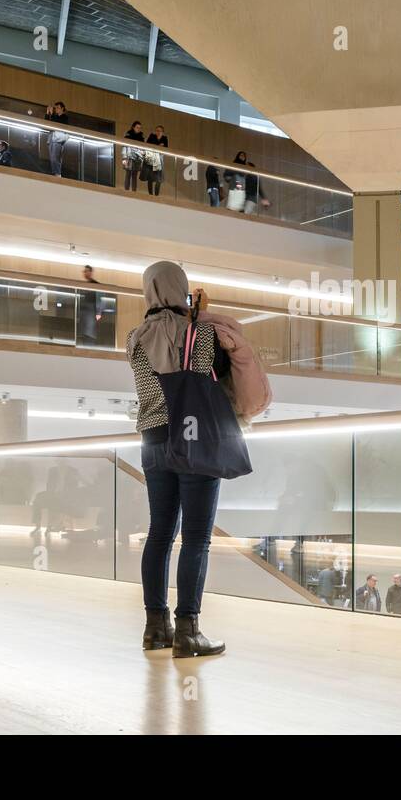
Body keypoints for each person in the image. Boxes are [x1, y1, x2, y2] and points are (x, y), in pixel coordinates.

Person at [129, 261, 267, 658]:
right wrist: (199, 311)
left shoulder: (133, 338)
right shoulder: (200, 332)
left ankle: (156, 628)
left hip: (153, 440)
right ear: (182, 289)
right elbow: (219, 373)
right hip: (195, 439)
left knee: (159, 534)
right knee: (196, 538)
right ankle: (189, 630)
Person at [77, 265, 112, 347]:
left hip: (90, 311)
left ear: (90, 272)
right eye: (84, 271)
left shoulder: (95, 285)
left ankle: (89, 345)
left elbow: (101, 299)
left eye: (86, 271)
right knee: (86, 331)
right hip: (87, 312)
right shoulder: (87, 285)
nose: (84, 273)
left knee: (89, 332)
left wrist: (99, 313)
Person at [45, 101, 70, 177]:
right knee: (52, 158)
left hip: (58, 140)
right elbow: (46, 123)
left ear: (62, 108)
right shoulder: (55, 116)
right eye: (55, 108)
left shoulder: (64, 117)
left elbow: (57, 123)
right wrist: (47, 113)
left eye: (58, 108)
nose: (56, 110)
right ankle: (55, 173)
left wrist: (52, 114)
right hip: (52, 138)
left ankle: (58, 174)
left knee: (55, 158)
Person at [142, 125, 168, 196]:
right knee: (150, 177)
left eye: (160, 131)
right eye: (157, 130)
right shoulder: (152, 136)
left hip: (159, 159)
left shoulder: (164, 138)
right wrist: (159, 145)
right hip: (151, 158)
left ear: (163, 132)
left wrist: (158, 146)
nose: (158, 132)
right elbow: (148, 145)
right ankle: (150, 194)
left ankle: (156, 195)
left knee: (158, 178)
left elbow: (165, 149)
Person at [122, 120, 145, 191]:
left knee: (134, 175)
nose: (138, 129)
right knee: (128, 174)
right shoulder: (128, 134)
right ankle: (126, 190)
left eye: (139, 128)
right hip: (129, 156)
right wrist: (124, 158)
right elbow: (124, 146)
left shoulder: (141, 136)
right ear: (133, 127)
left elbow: (143, 148)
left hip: (137, 157)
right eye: (137, 127)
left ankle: (134, 191)